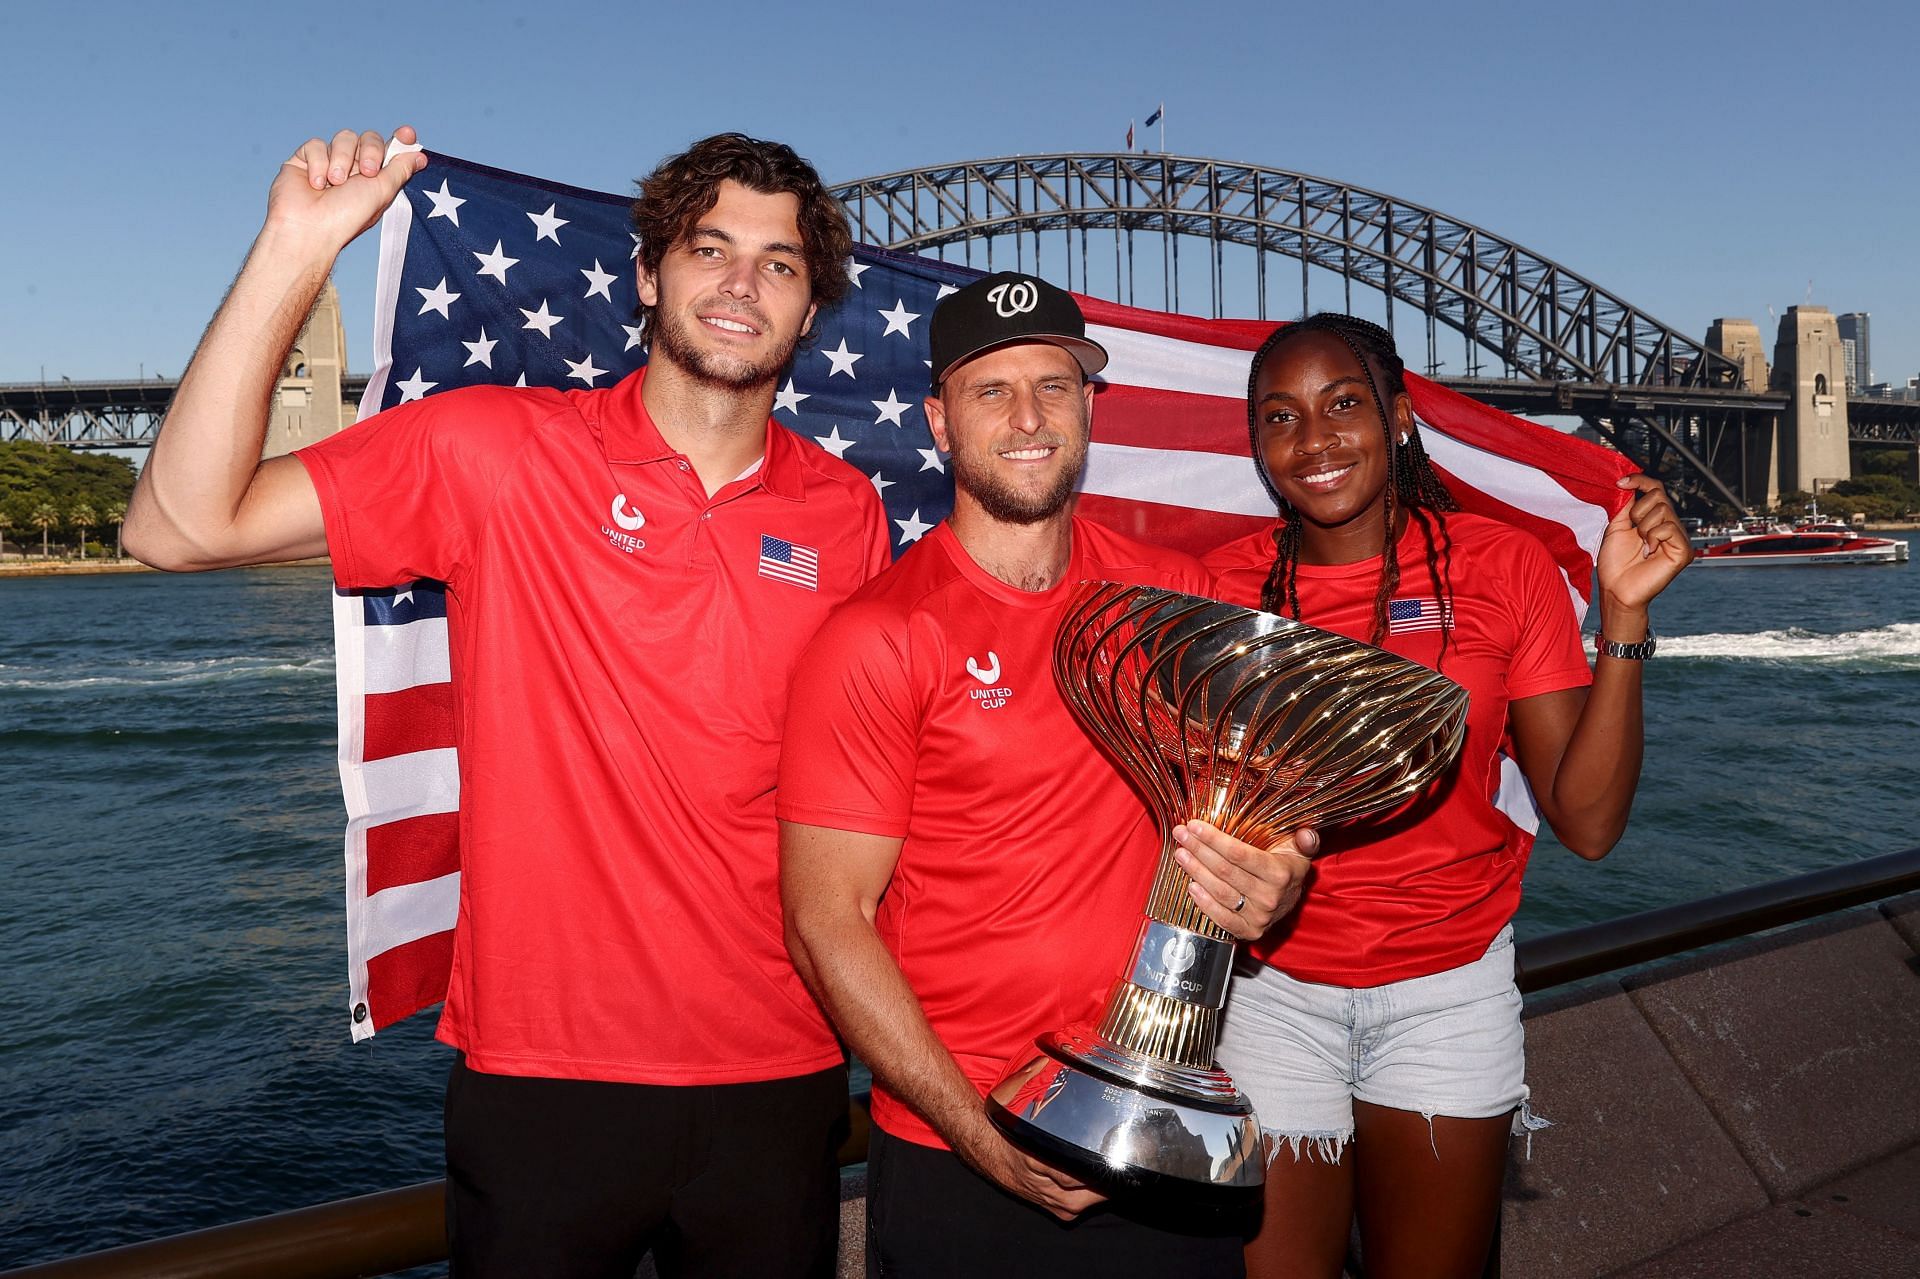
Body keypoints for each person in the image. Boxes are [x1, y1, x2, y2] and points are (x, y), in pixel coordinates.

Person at [123, 126, 891, 1278]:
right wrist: (298, 247)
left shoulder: (848, 513)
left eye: (778, 263)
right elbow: (174, 527)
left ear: (810, 304)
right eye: (709, 247)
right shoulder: (496, 449)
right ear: (647, 273)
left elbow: (879, 787)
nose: (740, 284)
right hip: (545, 1080)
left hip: (781, 1073)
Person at [776, 272, 1317, 1278]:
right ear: (940, 420)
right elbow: (825, 918)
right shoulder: (878, 636)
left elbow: (1253, 814)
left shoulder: (1179, 601)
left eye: (1055, 386)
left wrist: (1275, 873)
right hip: (965, 1146)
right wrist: (987, 1141)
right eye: (992, 390)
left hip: (1166, 1129)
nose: (1029, 417)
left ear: (1089, 407)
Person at [1202, 312, 1691, 1279]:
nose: (1315, 439)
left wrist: (1624, 619)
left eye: (1344, 405)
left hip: (1443, 997)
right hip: (1268, 999)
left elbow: (1587, 823)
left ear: (1398, 417)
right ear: (1257, 446)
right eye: (1280, 417)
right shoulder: (1218, 590)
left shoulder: (1498, 567)